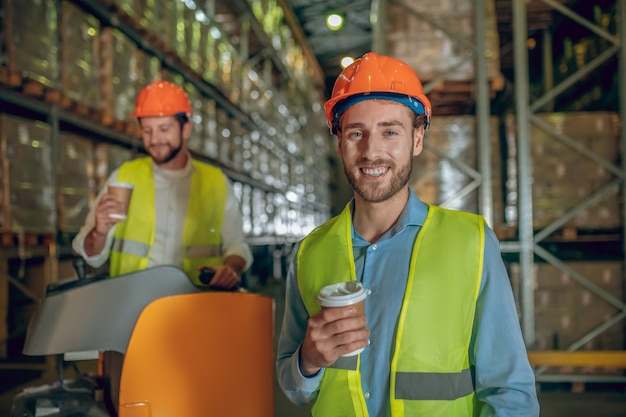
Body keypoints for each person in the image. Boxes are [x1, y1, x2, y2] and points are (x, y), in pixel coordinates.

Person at [276, 52, 540, 416]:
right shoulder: (310, 253)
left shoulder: (471, 243)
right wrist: (308, 360)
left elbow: (509, 391)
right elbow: (294, 387)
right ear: (339, 143)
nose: (372, 152)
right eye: (356, 133)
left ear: (417, 139)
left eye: (389, 132)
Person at [72, 79, 253, 288]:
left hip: (195, 305)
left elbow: (237, 245)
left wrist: (231, 268)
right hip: (133, 304)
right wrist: (99, 233)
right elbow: (92, 256)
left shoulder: (216, 182)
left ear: (186, 130)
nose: (154, 139)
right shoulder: (123, 177)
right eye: (147, 130)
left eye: (164, 129)